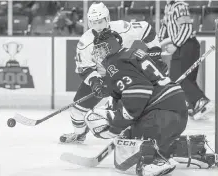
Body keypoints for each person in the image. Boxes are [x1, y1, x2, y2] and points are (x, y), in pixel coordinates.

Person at [84, 28, 218, 176]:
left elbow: (138, 91)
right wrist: (108, 88)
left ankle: (152, 161)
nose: (98, 54)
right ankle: (194, 151)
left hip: (160, 116)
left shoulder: (115, 62)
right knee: (138, 133)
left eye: (100, 49)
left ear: (110, 47)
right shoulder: (129, 54)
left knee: (98, 119)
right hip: (172, 114)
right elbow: (137, 86)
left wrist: (116, 125)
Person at [60, 2, 168, 143]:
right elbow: (84, 68)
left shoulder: (122, 27)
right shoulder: (85, 42)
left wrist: (155, 55)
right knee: (77, 110)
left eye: (100, 21)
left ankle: (130, 130)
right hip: (103, 75)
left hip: (126, 73)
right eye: (93, 22)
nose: (97, 26)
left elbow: (147, 30)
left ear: (107, 19)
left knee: (128, 105)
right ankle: (79, 134)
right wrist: (95, 82)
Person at [159, 0, 213, 120]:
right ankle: (193, 105)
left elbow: (186, 27)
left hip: (187, 45)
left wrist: (176, 45)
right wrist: (157, 43)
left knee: (181, 76)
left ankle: (200, 101)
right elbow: (164, 27)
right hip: (182, 46)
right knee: (181, 77)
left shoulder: (179, 6)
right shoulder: (168, 7)